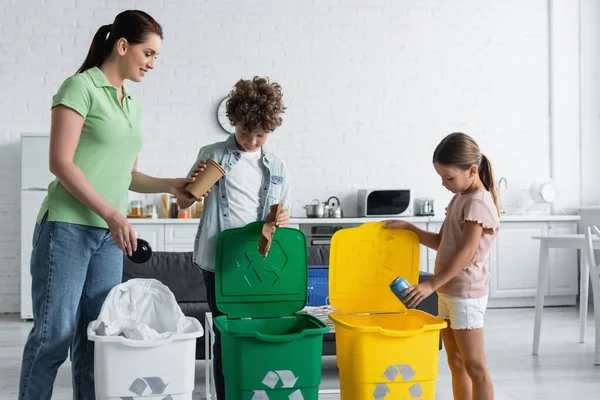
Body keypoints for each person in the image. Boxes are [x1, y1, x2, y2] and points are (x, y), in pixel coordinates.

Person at [19, 10, 199, 400]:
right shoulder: (79, 88)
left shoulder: (131, 104)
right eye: (148, 53)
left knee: (97, 336)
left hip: (107, 237)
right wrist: (113, 213)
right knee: (54, 334)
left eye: (156, 57)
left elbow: (127, 175)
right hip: (66, 227)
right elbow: (60, 162)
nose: (152, 63)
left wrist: (171, 185)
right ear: (122, 46)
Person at [178, 76, 290, 399]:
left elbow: (284, 212)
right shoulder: (211, 153)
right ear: (233, 121)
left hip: (259, 261)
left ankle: (257, 391)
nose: (252, 141)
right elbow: (184, 200)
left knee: (258, 333)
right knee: (227, 334)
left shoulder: (278, 165)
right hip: (220, 260)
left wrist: (282, 218)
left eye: (261, 135)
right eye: (244, 131)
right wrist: (195, 193)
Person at [384, 132, 500, 400]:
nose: (444, 184)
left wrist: (431, 284)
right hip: (449, 292)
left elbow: (466, 253)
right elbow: (442, 242)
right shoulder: (460, 197)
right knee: (456, 362)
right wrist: (410, 229)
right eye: (441, 178)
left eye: (449, 177)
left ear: (472, 170)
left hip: (466, 295)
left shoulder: (478, 203)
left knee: (475, 366)